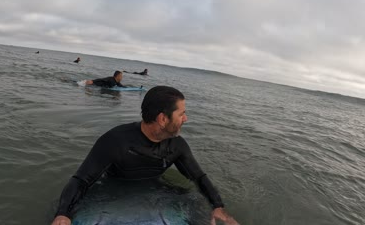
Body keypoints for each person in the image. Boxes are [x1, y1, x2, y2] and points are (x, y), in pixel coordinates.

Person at [51, 86, 240, 225]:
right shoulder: (116, 140)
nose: (186, 118)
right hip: (113, 191)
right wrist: (62, 214)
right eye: (182, 113)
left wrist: (218, 206)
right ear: (163, 119)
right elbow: (81, 180)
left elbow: (198, 177)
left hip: (155, 190)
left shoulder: (177, 145)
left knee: (193, 199)